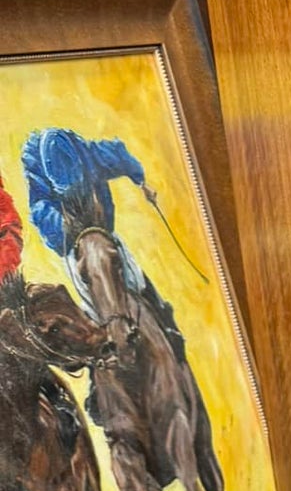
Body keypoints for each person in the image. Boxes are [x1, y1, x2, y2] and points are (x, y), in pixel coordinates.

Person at [20, 128, 186, 361]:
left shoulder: (89, 154)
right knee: (82, 290)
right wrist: (64, 228)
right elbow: (40, 210)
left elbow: (119, 154)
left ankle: (167, 323)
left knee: (132, 274)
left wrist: (141, 181)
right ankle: (97, 351)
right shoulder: (37, 173)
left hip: (101, 230)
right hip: (71, 243)